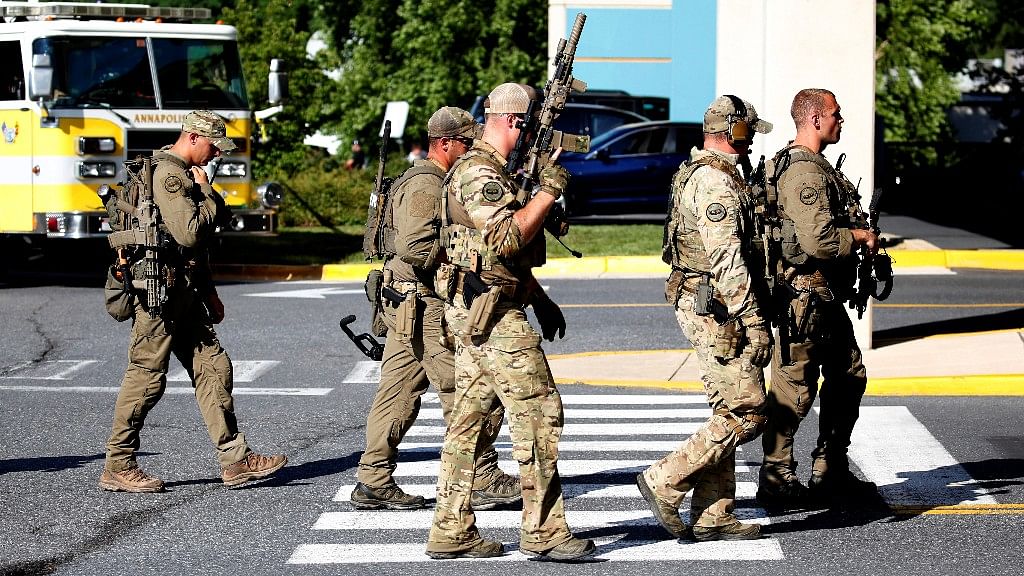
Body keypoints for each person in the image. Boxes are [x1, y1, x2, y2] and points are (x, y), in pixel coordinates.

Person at [424, 83, 595, 561]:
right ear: (514, 121)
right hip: (493, 317)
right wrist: (547, 192)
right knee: (539, 412)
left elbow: (493, 257)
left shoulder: (494, 171)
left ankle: (450, 529)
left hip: (481, 308)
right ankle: (543, 531)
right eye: (528, 124)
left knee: (469, 423)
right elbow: (504, 240)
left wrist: (540, 298)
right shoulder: (480, 173)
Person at [98, 110, 287, 493]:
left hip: (181, 292)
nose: (217, 153)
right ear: (194, 137)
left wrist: (209, 291)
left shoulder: (181, 174)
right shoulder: (171, 177)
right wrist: (207, 194)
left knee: (214, 366)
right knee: (146, 379)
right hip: (158, 296)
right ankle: (118, 463)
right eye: (214, 145)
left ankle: (236, 460)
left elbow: (191, 252)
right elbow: (189, 234)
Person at [351, 106, 521, 511]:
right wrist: (461, 256)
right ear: (444, 143)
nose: (470, 151)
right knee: (468, 389)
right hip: (422, 303)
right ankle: (480, 475)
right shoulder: (428, 184)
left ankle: (373, 479)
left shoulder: (434, 178)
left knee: (398, 391)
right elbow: (415, 246)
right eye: (465, 143)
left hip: (406, 300)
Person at [636, 95, 774, 542]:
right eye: (748, 130)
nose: (752, 138)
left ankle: (715, 514)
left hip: (706, 300)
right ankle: (666, 479)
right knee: (748, 411)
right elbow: (726, 259)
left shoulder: (706, 172)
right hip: (716, 306)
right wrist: (753, 320)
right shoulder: (714, 182)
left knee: (727, 404)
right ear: (733, 129)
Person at [756, 88, 880, 508]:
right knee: (794, 388)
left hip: (820, 296)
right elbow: (819, 240)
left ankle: (829, 470)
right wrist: (860, 236)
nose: (840, 121)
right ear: (814, 119)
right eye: (835, 114)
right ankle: (777, 477)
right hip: (805, 297)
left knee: (847, 376)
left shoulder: (809, 166)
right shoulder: (804, 172)